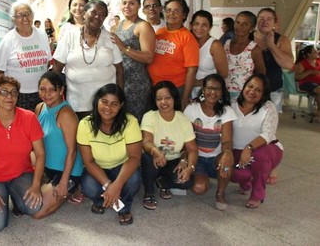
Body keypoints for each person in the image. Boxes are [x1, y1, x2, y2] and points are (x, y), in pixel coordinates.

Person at [0, 75, 49, 232]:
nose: (10, 96)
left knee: (35, 207)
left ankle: (13, 196)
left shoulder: (29, 118)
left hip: (21, 174)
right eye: (4, 92)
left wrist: (35, 185)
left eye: (14, 92)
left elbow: (40, 154)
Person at [77, 83, 142, 225]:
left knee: (134, 180)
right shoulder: (84, 124)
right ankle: (102, 200)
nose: (107, 108)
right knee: (89, 186)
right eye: (104, 102)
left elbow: (135, 157)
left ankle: (123, 207)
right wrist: (108, 185)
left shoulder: (130, 122)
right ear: (97, 101)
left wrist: (116, 185)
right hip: (97, 167)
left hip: (122, 166)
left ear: (121, 106)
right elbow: (88, 162)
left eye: (114, 104)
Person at [53, 0, 124, 119]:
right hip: (76, 104)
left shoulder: (111, 39)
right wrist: (57, 98)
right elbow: (56, 69)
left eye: (102, 14)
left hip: (105, 107)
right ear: (84, 13)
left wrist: (119, 99)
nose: (97, 16)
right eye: (94, 12)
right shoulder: (70, 35)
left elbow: (120, 71)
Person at [140, 81, 198, 210]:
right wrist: (155, 151)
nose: (163, 102)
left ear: (174, 98)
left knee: (186, 182)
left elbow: (192, 149)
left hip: (173, 160)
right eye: (159, 99)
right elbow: (146, 142)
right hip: (154, 159)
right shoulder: (149, 116)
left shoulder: (183, 119)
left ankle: (163, 181)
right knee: (148, 159)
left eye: (167, 98)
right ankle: (149, 191)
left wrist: (190, 167)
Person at [184, 74, 237, 210]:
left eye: (217, 89)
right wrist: (186, 160)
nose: (212, 92)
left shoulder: (227, 111)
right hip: (198, 158)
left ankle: (220, 192)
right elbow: (187, 140)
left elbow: (227, 140)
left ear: (222, 92)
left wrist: (227, 153)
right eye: (209, 88)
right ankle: (199, 176)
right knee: (199, 188)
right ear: (203, 89)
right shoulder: (192, 109)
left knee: (227, 162)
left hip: (216, 159)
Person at [231, 74, 284, 209]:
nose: (252, 91)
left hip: (266, 149)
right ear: (244, 87)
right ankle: (246, 181)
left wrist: (248, 148)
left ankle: (257, 195)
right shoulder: (232, 104)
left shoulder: (268, 107)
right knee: (234, 173)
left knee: (259, 158)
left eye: (258, 90)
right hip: (238, 150)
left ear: (264, 94)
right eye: (250, 86)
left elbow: (268, 134)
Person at [35, 71, 84, 208]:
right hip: (46, 166)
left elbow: (72, 151)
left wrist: (64, 181)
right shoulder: (39, 108)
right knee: (28, 202)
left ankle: (76, 184)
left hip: (67, 170)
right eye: (42, 89)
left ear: (61, 90)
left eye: (52, 90)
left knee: (38, 211)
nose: (46, 94)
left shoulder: (66, 114)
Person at [0, 3, 51, 111]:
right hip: (18, 95)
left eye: (27, 14)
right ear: (13, 19)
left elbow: (47, 62)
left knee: (39, 126)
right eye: (20, 15)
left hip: (42, 93)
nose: (25, 18)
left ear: (33, 16)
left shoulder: (42, 35)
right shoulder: (8, 40)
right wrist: (7, 93)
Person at [111, 0, 155, 121]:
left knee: (134, 123)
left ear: (139, 5)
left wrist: (124, 48)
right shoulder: (120, 24)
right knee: (121, 121)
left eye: (131, 3)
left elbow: (149, 57)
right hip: (121, 81)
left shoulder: (143, 26)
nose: (127, 6)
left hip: (137, 84)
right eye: (124, 3)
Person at [149, 0, 199, 110]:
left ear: (184, 15)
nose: (171, 13)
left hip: (175, 89)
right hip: (155, 86)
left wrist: (185, 98)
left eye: (176, 11)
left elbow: (192, 70)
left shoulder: (187, 37)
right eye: (169, 10)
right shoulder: (160, 32)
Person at [253, 8, 294, 113]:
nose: (265, 22)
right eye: (261, 18)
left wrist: (271, 45)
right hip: (248, 89)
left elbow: (288, 65)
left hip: (273, 89)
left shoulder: (282, 40)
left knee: (270, 124)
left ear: (275, 23)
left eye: (269, 19)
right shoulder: (247, 37)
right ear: (256, 21)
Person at [224, 11, 265, 100]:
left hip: (244, 96)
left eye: (245, 24)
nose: (240, 27)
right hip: (224, 93)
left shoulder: (254, 49)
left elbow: (261, 75)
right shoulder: (226, 44)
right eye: (237, 23)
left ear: (251, 28)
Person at [190, 10, 228, 98]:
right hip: (189, 92)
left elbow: (223, 74)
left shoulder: (215, 45)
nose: (199, 28)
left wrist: (198, 82)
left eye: (204, 25)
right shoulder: (188, 41)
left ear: (210, 27)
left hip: (209, 94)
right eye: (196, 24)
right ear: (191, 25)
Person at [294, 45, 320, 117]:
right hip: (306, 83)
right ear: (309, 54)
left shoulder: (318, 61)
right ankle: (319, 111)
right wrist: (309, 72)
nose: (317, 52)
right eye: (315, 52)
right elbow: (297, 77)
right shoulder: (302, 63)